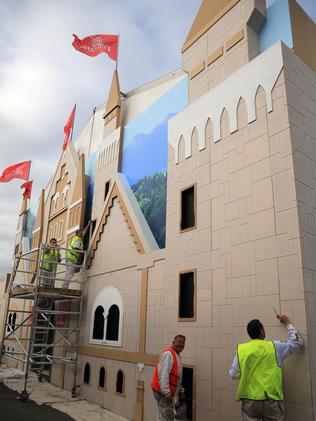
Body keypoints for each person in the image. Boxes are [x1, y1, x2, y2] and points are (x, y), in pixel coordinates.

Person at [229, 314, 303, 421]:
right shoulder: (275, 346)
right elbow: (297, 342)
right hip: (271, 399)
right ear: (261, 331)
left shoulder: (241, 349)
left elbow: (233, 374)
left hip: (250, 401)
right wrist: (287, 322)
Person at [151, 335, 186, 421]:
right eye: (179, 342)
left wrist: (180, 391)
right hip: (163, 392)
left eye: (183, 343)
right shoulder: (168, 354)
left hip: (169, 392)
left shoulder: (177, 356)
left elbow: (177, 377)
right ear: (173, 343)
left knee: (166, 415)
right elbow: (163, 375)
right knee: (165, 417)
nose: (181, 344)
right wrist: (166, 393)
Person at [61, 220, 91, 291]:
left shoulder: (79, 238)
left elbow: (84, 231)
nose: (82, 234)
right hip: (71, 258)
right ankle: (64, 288)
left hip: (71, 258)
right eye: (80, 233)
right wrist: (82, 251)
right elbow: (75, 247)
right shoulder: (77, 239)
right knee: (69, 273)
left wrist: (88, 224)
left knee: (70, 273)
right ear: (77, 233)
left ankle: (64, 287)